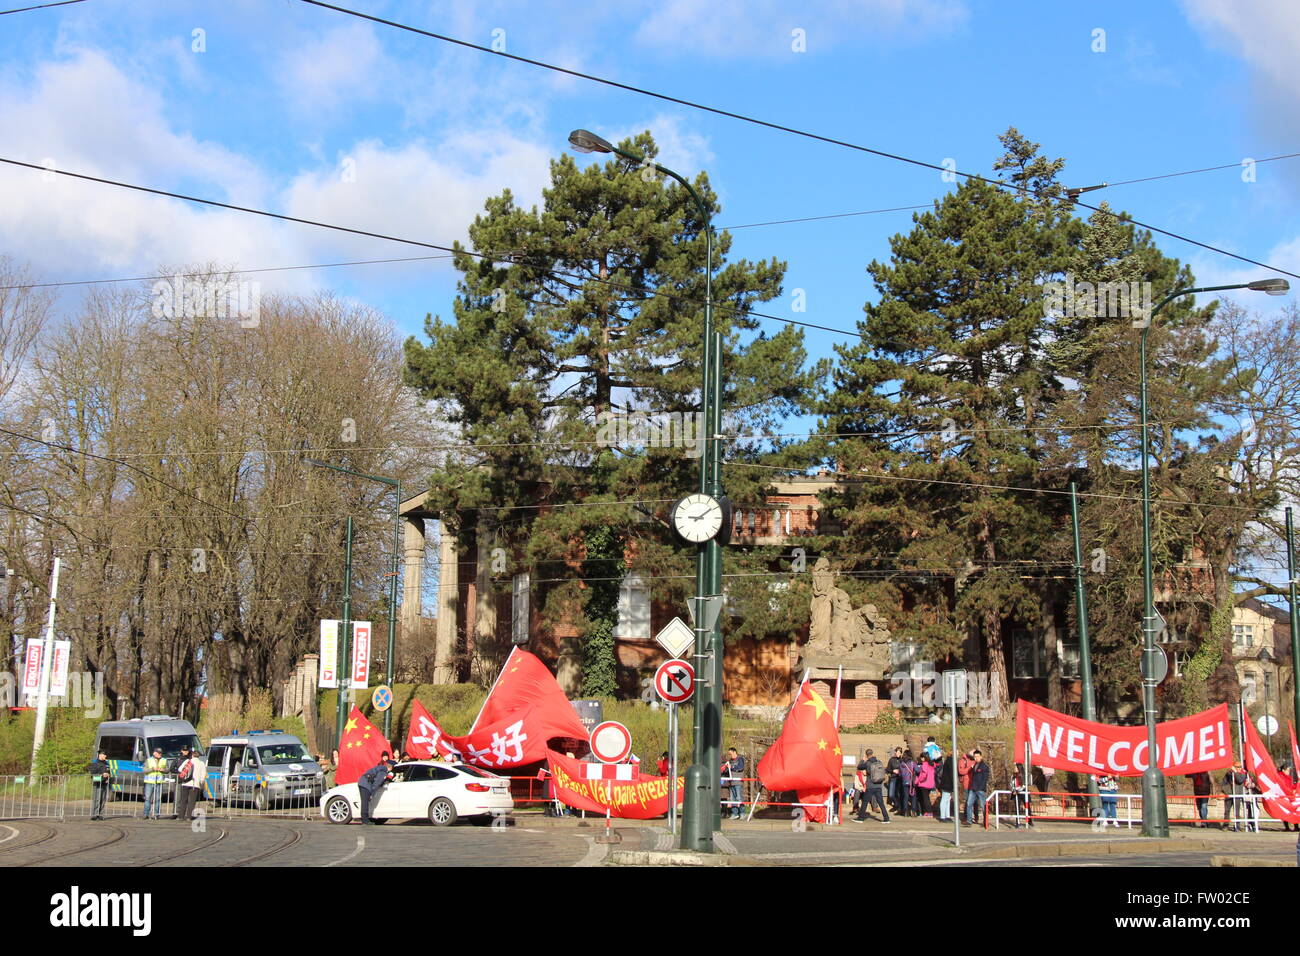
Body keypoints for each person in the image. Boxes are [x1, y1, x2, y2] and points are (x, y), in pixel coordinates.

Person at [357, 753, 395, 825]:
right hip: (366, 784)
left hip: (363, 782)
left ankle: (365, 819)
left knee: (365, 802)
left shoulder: (381, 768)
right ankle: (365, 820)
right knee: (365, 802)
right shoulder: (383, 772)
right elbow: (377, 783)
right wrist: (372, 794)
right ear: (391, 767)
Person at [854, 749, 889, 823]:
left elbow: (859, 767)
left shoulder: (868, 763)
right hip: (878, 785)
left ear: (867, 755)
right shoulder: (879, 761)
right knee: (881, 803)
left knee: (865, 802)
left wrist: (863, 760)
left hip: (870, 785)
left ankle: (861, 818)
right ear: (872, 753)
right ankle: (886, 818)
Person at [176, 747, 207, 822]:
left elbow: (180, 769)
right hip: (195, 784)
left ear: (192, 755)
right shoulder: (201, 763)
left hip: (185, 783)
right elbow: (203, 775)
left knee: (183, 800)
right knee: (191, 801)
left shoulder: (188, 761)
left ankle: (181, 816)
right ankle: (189, 816)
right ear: (198, 756)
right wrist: (201, 782)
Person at [964, 749, 990, 826]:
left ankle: (986, 821)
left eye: (977, 756)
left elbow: (985, 778)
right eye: (975, 756)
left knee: (983, 805)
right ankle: (969, 821)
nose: (976, 758)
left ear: (981, 756)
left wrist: (981, 787)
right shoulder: (974, 765)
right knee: (969, 803)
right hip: (973, 788)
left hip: (980, 789)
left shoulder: (984, 766)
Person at [142, 746, 167, 820]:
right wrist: (152, 769)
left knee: (158, 799)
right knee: (148, 798)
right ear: (154, 753)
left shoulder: (164, 760)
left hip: (159, 782)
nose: (160, 754)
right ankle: (146, 814)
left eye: (161, 753)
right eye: (158, 753)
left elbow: (167, 770)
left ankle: (156, 814)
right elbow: (144, 770)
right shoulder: (149, 760)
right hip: (149, 782)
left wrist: (162, 770)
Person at [1223, 763, 1248, 832]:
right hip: (1229, 794)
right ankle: (1225, 825)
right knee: (1227, 811)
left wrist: (1236, 772)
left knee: (1237, 811)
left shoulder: (1243, 774)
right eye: (1237, 767)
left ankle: (1237, 826)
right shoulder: (1229, 773)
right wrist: (1226, 791)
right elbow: (1224, 783)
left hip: (1237, 795)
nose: (1238, 768)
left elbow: (1239, 780)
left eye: (1240, 767)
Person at [88, 749, 111, 821]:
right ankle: (95, 814)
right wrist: (101, 775)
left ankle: (100, 814)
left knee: (103, 800)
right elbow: (93, 775)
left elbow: (109, 772)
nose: (106, 756)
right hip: (97, 783)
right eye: (104, 755)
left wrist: (108, 775)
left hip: (105, 783)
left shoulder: (107, 763)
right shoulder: (95, 763)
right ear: (100, 755)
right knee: (97, 799)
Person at [723, 747, 745, 819]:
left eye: (730, 754)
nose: (730, 755)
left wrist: (731, 767)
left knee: (739, 797)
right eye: (729, 754)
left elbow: (740, 767)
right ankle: (734, 813)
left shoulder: (740, 759)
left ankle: (742, 813)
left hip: (738, 782)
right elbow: (727, 770)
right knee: (732, 799)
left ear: (735, 752)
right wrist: (725, 768)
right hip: (731, 782)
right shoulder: (729, 761)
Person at [1011, 762, 1034, 828]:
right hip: (1016, 793)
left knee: (1027, 806)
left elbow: (1024, 785)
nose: (1014, 768)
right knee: (1017, 807)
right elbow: (1011, 784)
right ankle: (1017, 821)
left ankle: (1029, 820)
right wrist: (1013, 790)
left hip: (1023, 792)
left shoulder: (1024, 775)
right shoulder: (1013, 776)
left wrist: (1018, 791)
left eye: (1015, 767)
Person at [937, 751, 956, 822]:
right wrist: (953, 782)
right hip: (947, 783)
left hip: (947, 783)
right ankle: (943, 816)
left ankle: (947, 815)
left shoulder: (948, 760)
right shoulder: (950, 761)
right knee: (945, 799)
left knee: (947, 799)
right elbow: (951, 773)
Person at [885, 747, 903, 813]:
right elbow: (887, 769)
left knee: (899, 793)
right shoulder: (892, 760)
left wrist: (900, 771)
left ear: (901, 753)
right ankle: (896, 804)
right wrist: (893, 771)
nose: (898, 754)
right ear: (895, 752)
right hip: (893, 778)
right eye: (897, 752)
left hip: (900, 778)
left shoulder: (903, 760)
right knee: (891, 794)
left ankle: (898, 806)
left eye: (899, 752)